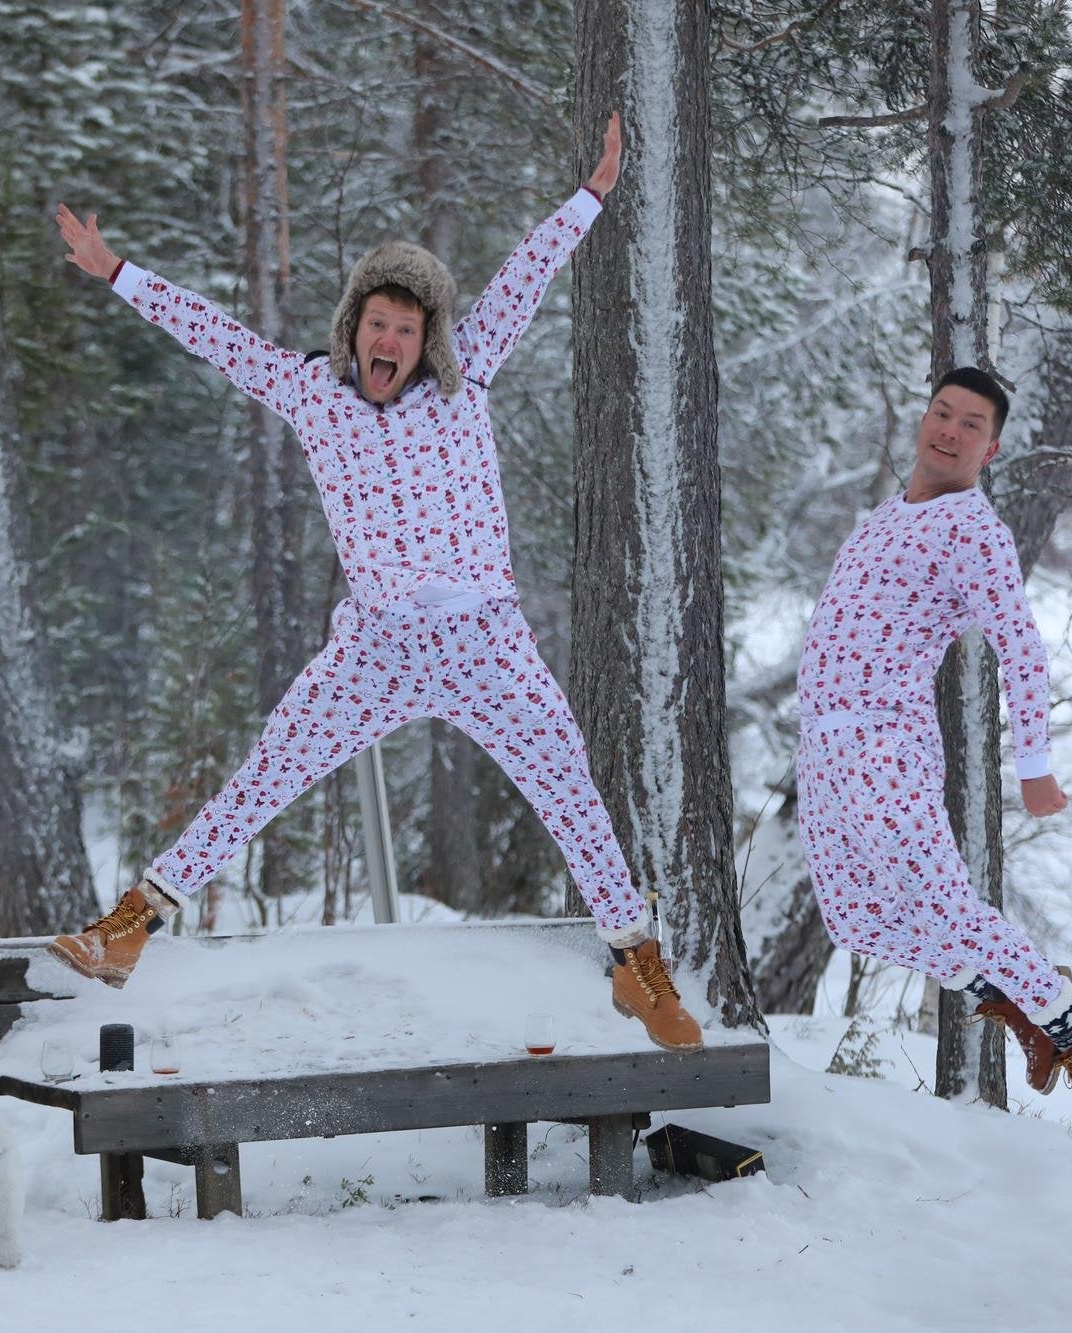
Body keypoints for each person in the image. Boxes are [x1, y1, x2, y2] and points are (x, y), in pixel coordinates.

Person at [47, 113, 701, 1050]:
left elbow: (527, 275)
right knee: (267, 773)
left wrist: (590, 196)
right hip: (377, 646)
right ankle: (132, 926)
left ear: (427, 337)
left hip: (484, 641)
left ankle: (635, 965)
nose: (388, 339)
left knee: (569, 783)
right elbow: (217, 337)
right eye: (376, 322)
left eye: (407, 326)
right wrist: (117, 273)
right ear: (352, 327)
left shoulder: (463, 380)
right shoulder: (313, 392)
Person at [794, 366, 1072, 1156]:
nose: (948, 430)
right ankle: (1028, 1012)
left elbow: (1020, 643)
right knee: (857, 920)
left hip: (886, 742)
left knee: (947, 907)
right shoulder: (885, 514)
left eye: (970, 425)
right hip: (825, 748)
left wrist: (1035, 762)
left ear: (990, 447)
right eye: (942, 413)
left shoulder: (971, 529)